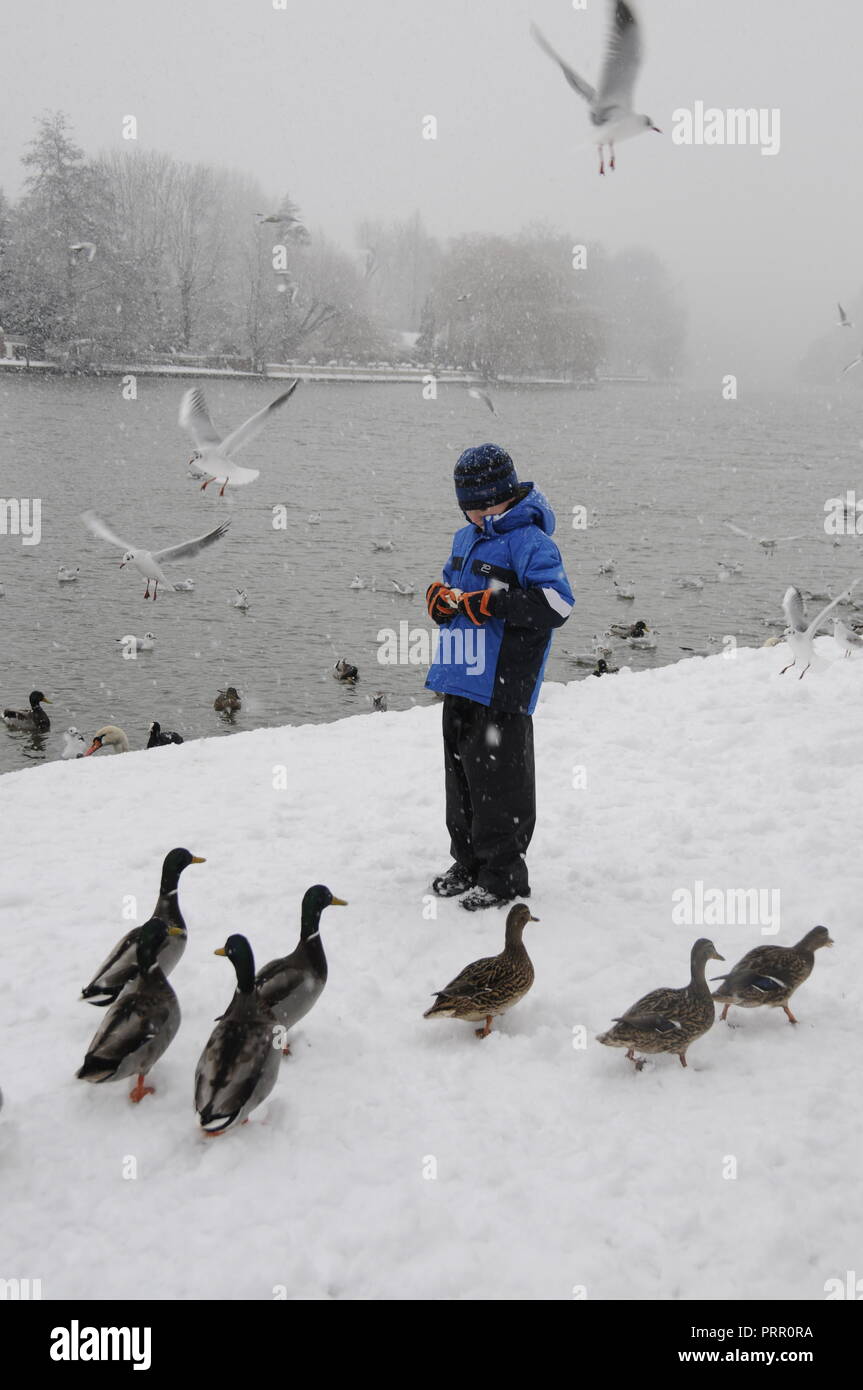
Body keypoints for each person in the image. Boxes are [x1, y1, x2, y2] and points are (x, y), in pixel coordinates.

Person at [425, 443, 574, 910]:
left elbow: (558, 604)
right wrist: (439, 600)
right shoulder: (464, 538)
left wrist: (493, 603)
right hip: (460, 678)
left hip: (503, 685)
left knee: (500, 788)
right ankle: (468, 861)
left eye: (481, 504)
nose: (475, 513)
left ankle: (504, 873)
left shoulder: (531, 542)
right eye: (468, 507)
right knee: (463, 781)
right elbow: (454, 587)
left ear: (501, 496)